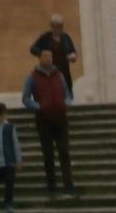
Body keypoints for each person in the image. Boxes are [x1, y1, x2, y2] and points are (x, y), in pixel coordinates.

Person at [21, 47, 76, 199]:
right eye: (46, 56)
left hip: (60, 118)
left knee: (64, 153)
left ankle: (69, 187)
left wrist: (67, 103)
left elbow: (68, 94)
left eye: (50, 56)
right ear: (40, 58)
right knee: (48, 155)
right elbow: (25, 98)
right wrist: (38, 106)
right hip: (43, 120)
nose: (49, 59)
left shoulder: (59, 75)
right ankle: (51, 187)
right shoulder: (32, 77)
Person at [28, 14, 79, 97]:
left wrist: (73, 56)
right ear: (51, 26)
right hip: (49, 72)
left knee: (67, 96)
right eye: (54, 25)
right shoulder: (46, 37)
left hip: (64, 73)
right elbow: (33, 49)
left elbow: (72, 52)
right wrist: (43, 55)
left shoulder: (66, 37)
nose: (57, 28)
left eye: (59, 26)